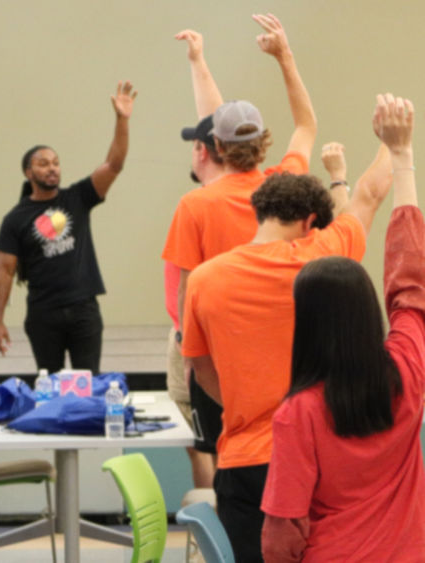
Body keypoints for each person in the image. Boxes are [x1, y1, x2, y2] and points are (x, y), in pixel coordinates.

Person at [181, 141, 393, 559]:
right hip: (317, 458)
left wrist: (245, 401)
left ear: (260, 213)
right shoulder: (322, 256)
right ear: (310, 221)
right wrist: (390, 142)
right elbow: (371, 194)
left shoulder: (205, 279)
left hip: (243, 461)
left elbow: (199, 368)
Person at [261, 95, 424, 561]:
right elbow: (411, 286)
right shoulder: (408, 375)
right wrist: (404, 157)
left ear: (307, 323)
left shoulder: (299, 414)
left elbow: (281, 534)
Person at [162, 14, 316, 480]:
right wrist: (285, 58)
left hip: (221, 354)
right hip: (283, 349)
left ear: (212, 149)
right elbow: (306, 124)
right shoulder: (284, 189)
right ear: (263, 144)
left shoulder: (197, 205)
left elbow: (188, 300)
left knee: (228, 460)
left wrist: (195, 366)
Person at [0, 81, 137, 374]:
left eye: (55, 162)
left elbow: (114, 164)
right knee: (51, 385)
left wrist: (122, 120)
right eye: (43, 164)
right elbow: (4, 271)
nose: (52, 168)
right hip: (44, 314)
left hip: (84, 309)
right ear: (28, 172)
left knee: (89, 382)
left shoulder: (77, 198)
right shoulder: (15, 219)